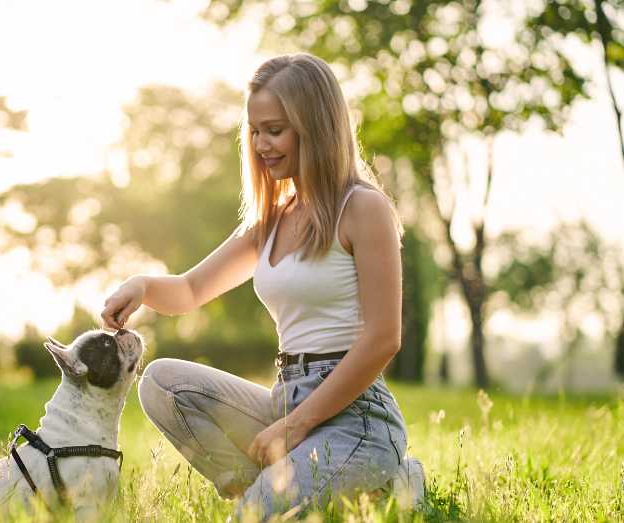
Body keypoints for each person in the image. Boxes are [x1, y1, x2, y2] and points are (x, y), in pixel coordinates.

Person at [100, 53, 424, 519]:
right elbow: (191, 290)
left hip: (357, 420)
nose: (261, 145)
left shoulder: (363, 208)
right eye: (254, 131)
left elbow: (383, 340)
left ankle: (376, 481)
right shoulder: (273, 218)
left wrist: (296, 428)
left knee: (253, 517)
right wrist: (142, 285)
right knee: (162, 384)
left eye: (274, 130)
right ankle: (294, 488)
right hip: (285, 398)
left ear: (315, 126)